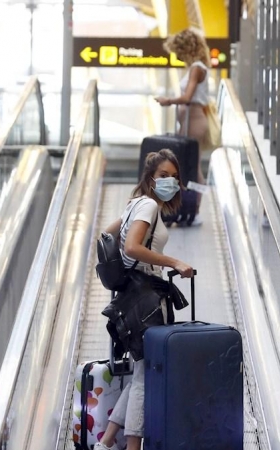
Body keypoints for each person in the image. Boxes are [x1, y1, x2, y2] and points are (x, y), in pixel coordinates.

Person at [94, 149, 194, 450]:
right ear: (150, 177)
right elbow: (133, 248)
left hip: (132, 297)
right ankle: (132, 446)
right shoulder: (148, 205)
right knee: (145, 377)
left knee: (142, 371)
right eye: (164, 175)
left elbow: (106, 237)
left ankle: (107, 441)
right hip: (145, 299)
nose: (170, 181)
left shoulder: (134, 204)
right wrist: (173, 262)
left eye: (174, 177)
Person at [154, 28, 212, 225]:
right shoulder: (196, 67)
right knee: (186, 164)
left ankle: (194, 210)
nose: (178, 56)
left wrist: (167, 101)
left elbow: (187, 97)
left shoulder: (197, 68)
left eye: (179, 51)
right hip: (188, 121)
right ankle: (186, 208)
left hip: (193, 121)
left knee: (191, 166)